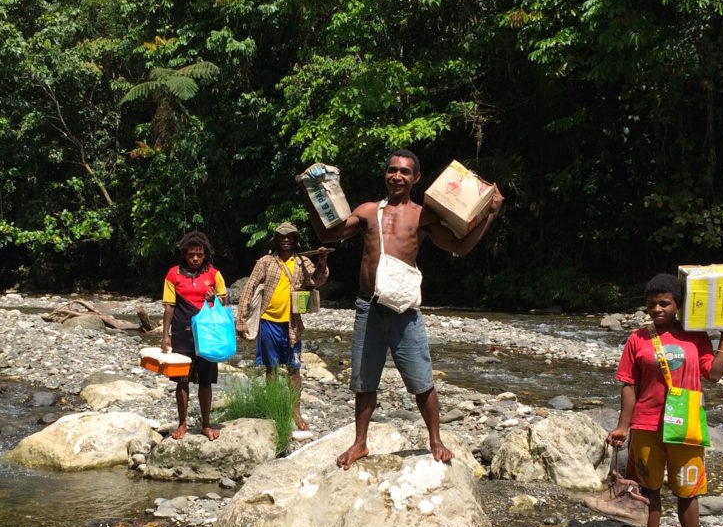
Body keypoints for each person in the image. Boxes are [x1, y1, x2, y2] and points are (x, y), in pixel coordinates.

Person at [305, 149, 503, 469]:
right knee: (364, 380)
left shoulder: (423, 216)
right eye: (392, 170)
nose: (397, 176)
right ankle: (360, 443)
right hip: (368, 307)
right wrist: (312, 195)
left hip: (404, 310)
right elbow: (330, 233)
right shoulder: (369, 211)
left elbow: (459, 246)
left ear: (416, 178)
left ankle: (435, 441)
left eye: (405, 172)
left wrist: (491, 214)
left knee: (422, 381)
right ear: (385, 174)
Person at [605, 274, 723, 527]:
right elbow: (629, 384)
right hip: (647, 424)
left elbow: (714, 375)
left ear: (678, 305)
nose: (657, 309)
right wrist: (624, 425)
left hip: (686, 426)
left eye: (664, 303)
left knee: (688, 493)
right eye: (652, 304)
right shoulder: (638, 339)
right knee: (650, 490)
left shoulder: (696, 337)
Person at [234, 222, 330, 430]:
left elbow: (318, 280)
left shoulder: (303, 261)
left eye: (290, 237)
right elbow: (249, 287)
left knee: (294, 369)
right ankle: (274, 408)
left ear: (296, 240)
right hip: (268, 322)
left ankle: (295, 412)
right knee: (272, 369)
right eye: (282, 237)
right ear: (276, 240)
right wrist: (241, 320)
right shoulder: (266, 262)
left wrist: (322, 260)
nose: (286, 240)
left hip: (292, 324)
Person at [161, 231, 228, 440]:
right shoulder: (173, 274)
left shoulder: (214, 275)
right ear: (185, 255)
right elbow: (169, 306)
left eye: (199, 255)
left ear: (205, 254)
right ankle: (182, 424)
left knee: (206, 381)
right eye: (191, 255)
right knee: (182, 381)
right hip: (182, 334)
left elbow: (223, 304)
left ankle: (206, 425)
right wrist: (165, 335)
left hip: (208, 336)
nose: (195, 259)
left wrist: (212, 298)